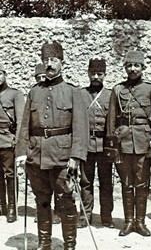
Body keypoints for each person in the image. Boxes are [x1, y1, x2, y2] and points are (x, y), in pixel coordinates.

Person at [16, 41, 88, 250]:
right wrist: (22, 152)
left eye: (54, 60)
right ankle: (44, 244)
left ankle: (70, 245)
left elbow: (80, 128)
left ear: (62, 63)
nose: (49, 64)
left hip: (63, 156)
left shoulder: (73, 92)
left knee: (66, 201)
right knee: (42, 200)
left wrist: (76, 156)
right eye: (46, 60)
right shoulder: (34, 92)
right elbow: (25, 126)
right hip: (36, 156)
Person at [106, 50, 151, 236]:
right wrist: (112, 145)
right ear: (125, 68)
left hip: (143, 142)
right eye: (129, 66)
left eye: (136, 65)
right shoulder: (118, 89)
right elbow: (111, 120)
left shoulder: (150, 89)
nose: (132, 69)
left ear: (142, 67)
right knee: (126, 183)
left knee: (141, 184)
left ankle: (140, 222)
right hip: (123, 143)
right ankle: (128, 221)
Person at [77, 58, 114, 228]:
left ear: (105, 75)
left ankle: (106, 217)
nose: (96, 77)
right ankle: (85, 216)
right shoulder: (81, 94)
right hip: (86, 145)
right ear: (88, 74)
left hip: (105, 146)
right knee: (86, 182)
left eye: (100, 74)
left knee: (106, 183)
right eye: (93, 73)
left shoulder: (110, 95)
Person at [34, 63, 61, 225]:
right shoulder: (34, 94)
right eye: (38, 78)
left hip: (57, 146)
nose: (42, 80)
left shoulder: (58, 93)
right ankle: (43, 213)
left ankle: (58, 212)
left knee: (58, 184)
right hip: (38, 148)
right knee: (41, 187)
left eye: (44, 77)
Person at [0, 64, 25, 223]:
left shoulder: (15, 94)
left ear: (5, 74)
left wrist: (17, 140)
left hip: (8, 140)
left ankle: (11, 208)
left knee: (10, 175)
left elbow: (21, 120)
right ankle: (1, 205)